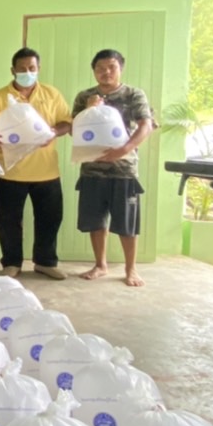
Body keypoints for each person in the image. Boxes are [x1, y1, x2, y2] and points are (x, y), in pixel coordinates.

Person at [72, 48, 157, 287]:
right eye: (100, 68)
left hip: (124, 170)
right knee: (95, 221)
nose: (106, 72)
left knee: (127, 223)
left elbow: (146, 126)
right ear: (94, 71)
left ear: (120, 68)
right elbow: (74, 129)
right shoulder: (84, 96)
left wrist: (124, 149)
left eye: (111, 67)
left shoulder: (133, 94)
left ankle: (131, 269)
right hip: (92, 169)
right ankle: (100, 265)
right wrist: (89, 108)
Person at [0, 46, 73, 279]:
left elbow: (67, 123)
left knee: (50, 218)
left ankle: (45, 262)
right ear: (12, 70)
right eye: (22, 68)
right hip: (10, 171)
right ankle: (11, 262)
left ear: (38, 69)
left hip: (46, 170)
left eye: (32, 68)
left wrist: (54, 130)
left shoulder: (52, 94)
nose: (27, 72)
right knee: (9, 221)